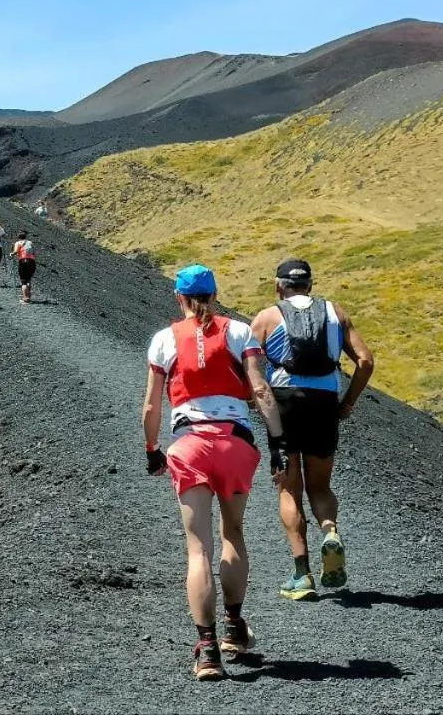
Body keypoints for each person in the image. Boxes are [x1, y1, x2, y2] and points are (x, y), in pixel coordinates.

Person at [143, 264, 289, 681]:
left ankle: (207, 650)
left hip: (188, 445)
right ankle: (233, 626)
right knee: (233, 534)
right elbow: (260, 389)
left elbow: (152, 405)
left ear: (179, 298)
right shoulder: (239, 332)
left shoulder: (164, 339)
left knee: (197, 550)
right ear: (215, 294)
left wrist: (153, 451)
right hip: (235, 444)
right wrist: (277, 445)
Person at [250, 258, 374, 600]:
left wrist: (251, 399)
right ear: (310, 285)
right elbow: (365, 361)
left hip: (285, 404)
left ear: (278, 287)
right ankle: (330, 531)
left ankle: (302, 574)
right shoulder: (336, 312)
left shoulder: (267, 317)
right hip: (324, 404)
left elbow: (245, 365)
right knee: (320, 486)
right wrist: (347, 403)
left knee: (289, 489)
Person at [10, 230, 36, 303]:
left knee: (23, 281)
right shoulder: (30, 243)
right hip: (32, 262)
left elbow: (15, 251)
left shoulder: (18, 243)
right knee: (29, 279)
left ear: (18, 237)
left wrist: (11, 254)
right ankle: (29, 297)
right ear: (25, 237)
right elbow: (34, 253)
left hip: (23, 261)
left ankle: (26, 298)